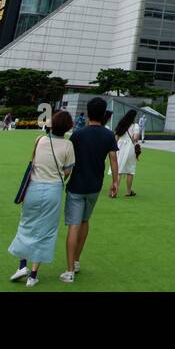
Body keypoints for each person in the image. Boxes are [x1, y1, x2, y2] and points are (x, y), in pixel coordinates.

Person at [9, 110, 75, 286]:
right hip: (53, 190)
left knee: (27, 224)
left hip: (33, 188)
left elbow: (33, 161)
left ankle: (22, 266)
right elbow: (67, 171)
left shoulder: (40, 140)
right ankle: (33, 275)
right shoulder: (68, 145)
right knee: (46, 231)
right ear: (68, 127)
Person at [61, 97, 119, 283]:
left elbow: (68, 161)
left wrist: (60, 180)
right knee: (85, 221)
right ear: (104, 114)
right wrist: (115, 182)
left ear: (87, 112)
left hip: (77, 185)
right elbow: (113, 159)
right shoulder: (108, 135)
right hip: (95, 186)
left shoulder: (78, 134)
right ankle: (76, 261)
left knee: (74, 225)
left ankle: (69, 270)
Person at [110, 110, 142, 197]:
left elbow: (116, 137)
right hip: (130, 148)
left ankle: (114, 191)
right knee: (130, 171)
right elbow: (135, 138)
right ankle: (128, 191)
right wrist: (135, 137)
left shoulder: (121, 124)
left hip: (120, 147)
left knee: (118, 170)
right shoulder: (135, 125)